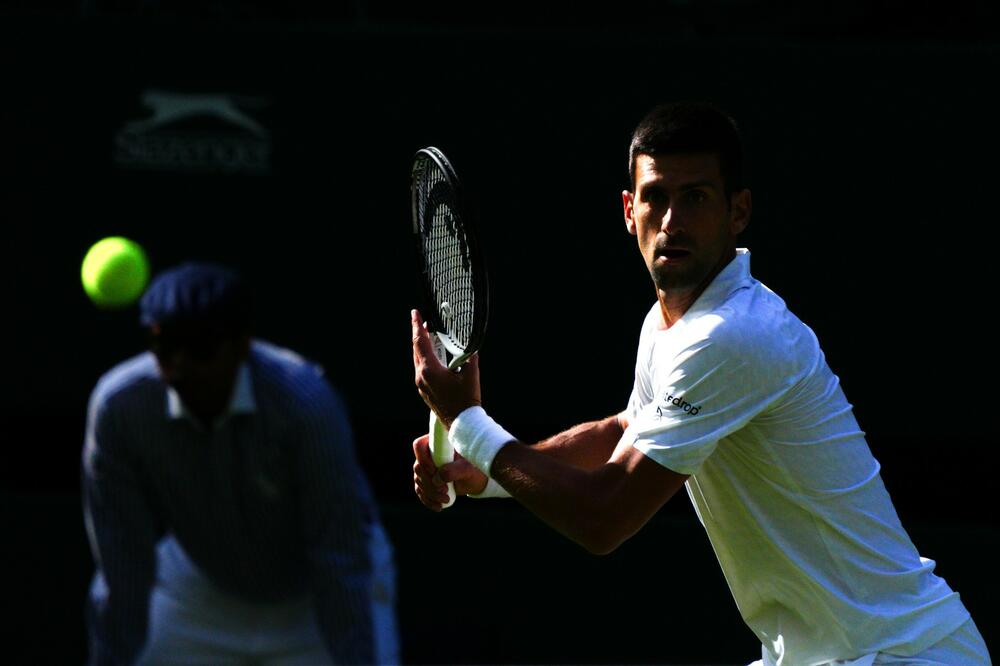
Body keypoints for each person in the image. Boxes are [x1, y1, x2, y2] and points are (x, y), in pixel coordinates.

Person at [410, 101, 991, 665]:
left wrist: (469, 423)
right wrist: (488, 477)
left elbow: (604, 517)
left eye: (695, 198)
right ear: (627, 211)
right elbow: (627, 432)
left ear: (738, 212)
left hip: (903, 653)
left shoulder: (729, 336)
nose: (671, 221)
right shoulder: (671, 325)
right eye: (655, 198)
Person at [83, 262, 399, 665]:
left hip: (319, 599)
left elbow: (338, 554)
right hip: (196, 592)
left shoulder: (304, 403)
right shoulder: (118, 406)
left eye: (200, 348)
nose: (179, 366)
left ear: (241, 344)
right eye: (164, 348)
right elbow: (120, 554)